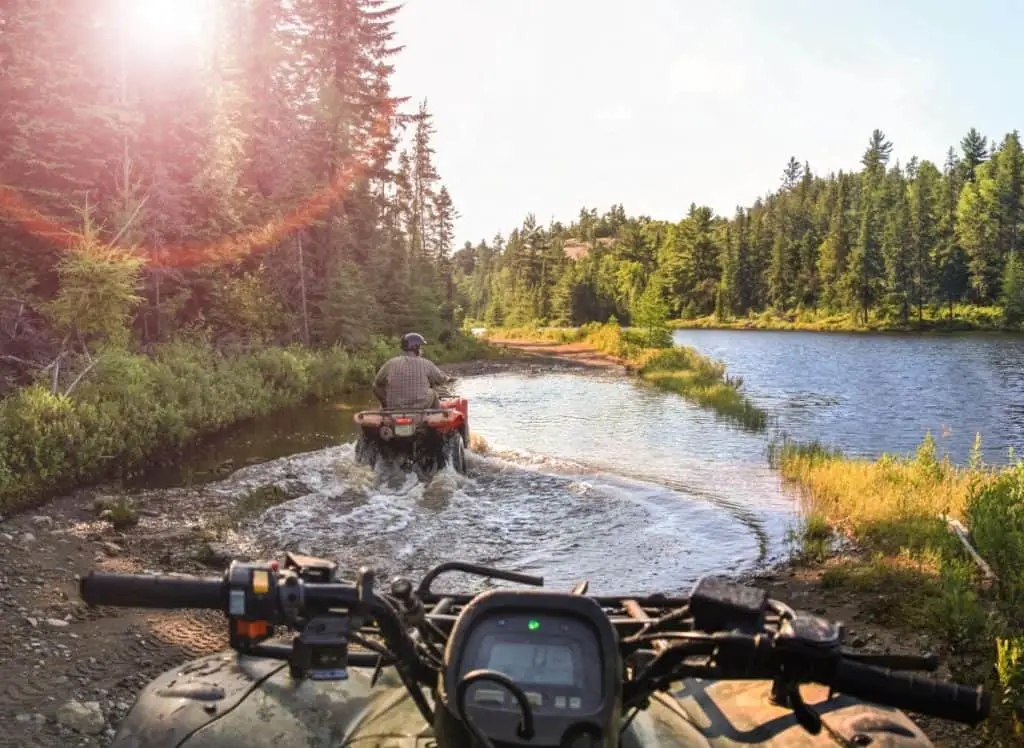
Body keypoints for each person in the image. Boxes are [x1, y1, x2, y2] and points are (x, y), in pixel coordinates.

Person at [372, 332, 451, 409]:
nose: (421, 351)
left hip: (394, 406)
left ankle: (386, 409)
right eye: (420, 348)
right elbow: (440, 380)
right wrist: (447, 378)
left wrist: (385, 402)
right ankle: (436, 416)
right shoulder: (426, 363)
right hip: (420, 406)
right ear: (415, 348)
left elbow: (376, 385)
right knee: (432, 393)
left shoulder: (390, 363)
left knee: (377, 386)